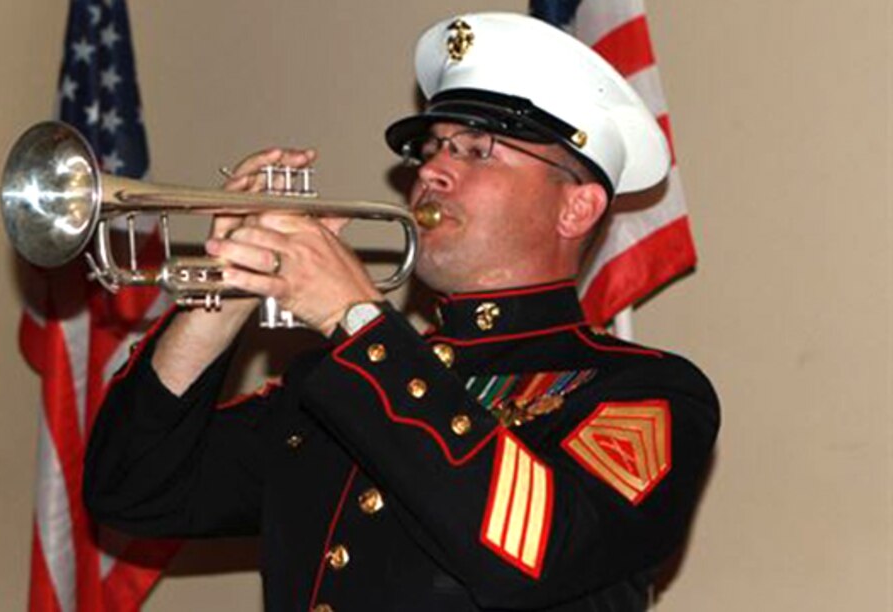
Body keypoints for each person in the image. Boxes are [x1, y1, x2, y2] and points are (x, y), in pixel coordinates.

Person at [83, 12, 719, 612]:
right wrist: (226, 293)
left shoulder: (645, 395)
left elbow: (528, 554)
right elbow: (131, 489)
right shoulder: (336, 382)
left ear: (575, 209)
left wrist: (358, 319)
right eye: (432, 149)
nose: (433, 170)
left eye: (476, 150)